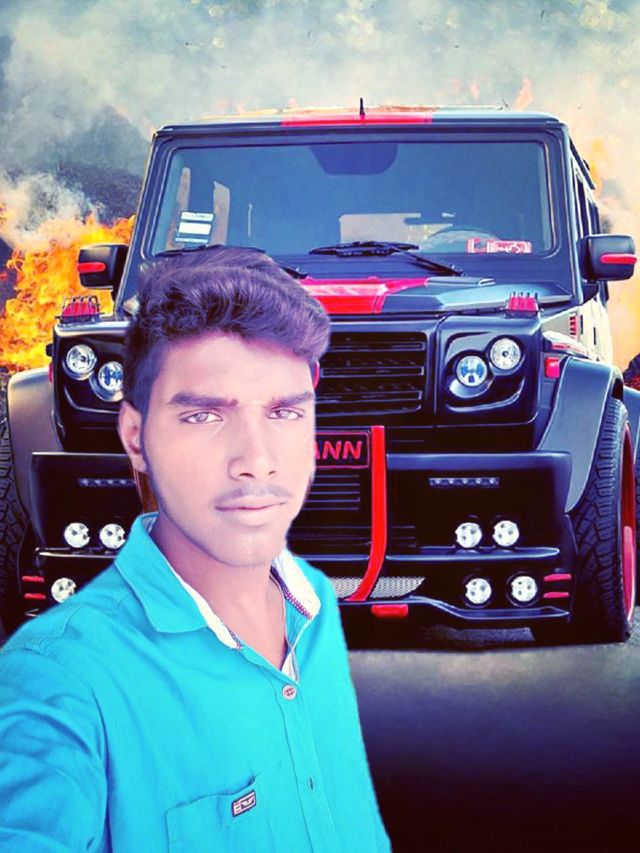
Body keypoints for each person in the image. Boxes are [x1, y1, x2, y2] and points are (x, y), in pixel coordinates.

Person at [0, 247, 391, 851]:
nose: (256, 460)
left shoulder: (313, 606)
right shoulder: (59, 680)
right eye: (205, 416)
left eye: (284, 411)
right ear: (136, 438)